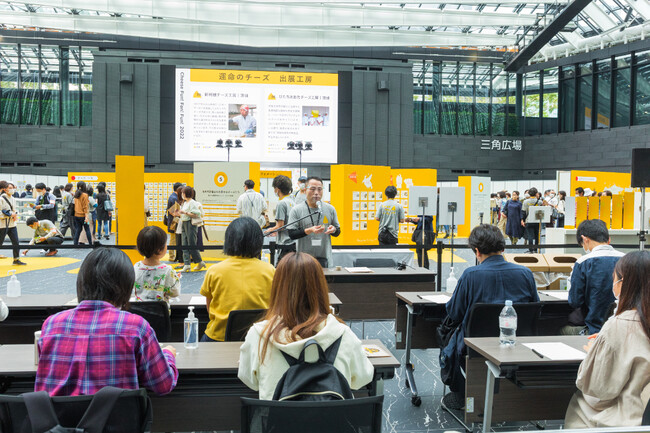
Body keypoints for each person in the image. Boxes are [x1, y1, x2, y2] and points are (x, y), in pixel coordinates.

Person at [35, 248, 178, 396]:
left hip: (59, 412)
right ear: (126, 285)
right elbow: (163, 384)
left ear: (82, 282)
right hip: (116, 411)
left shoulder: (52, 325)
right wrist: (168, 354)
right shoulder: (135, 327)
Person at [238, 252, 374, 400]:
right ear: (320, 287)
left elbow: (250, 381)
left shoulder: (259, 334)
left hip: (279, 416)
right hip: (333, 416)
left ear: (277, 288)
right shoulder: (342, 333)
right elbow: (362, 378)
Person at [440, 224, 539, 409]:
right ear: (503, 248)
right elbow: (534, 308)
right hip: (517, 342)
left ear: (477, 251)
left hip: (475, 346)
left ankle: (461, 394)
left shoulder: (470, 275)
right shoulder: (525, 273)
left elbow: (454, 313)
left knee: (446, 333)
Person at [564, 251, 650, 428]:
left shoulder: (619, 325)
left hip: (627, 417)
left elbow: (599, 388)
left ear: (623, 283)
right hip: (644, 412)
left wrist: (594, 353)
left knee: (579, 401)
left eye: (614, 278)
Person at [200, 217, 274, 342]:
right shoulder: (270, 270)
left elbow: (209, 307)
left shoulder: (214, 271)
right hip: (259, 338)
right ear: (258, 242)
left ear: (229, 241)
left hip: (219, 337)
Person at [562, 219, 625, 335]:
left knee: (564, 330)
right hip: (623, 329)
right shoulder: (627, 260)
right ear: (609, 239)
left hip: (594, 330)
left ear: (585, 239)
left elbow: (575, 301)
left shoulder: (583, 263)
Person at [287, 176, 340, 268]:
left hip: (325, 259)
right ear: (305, 190)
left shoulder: (330, 209)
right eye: (312, 189)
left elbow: (338, 231)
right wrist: (310, 230)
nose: (316, 193)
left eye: (319, 189)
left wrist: (334, 230)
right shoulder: (296, 210)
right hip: (303, 261)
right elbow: (292, 234)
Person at [133, 226, 181, 305]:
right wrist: (176, 279)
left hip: (139, 311)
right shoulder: (167, 270)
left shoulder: (136, 267)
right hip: (160, 311)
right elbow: (175, 293)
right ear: (160, 249)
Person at [172, 186, 206, 273]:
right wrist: (178, 214)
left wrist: (185, 212)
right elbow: (184, 214)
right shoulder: (185, 202)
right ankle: (187, 264)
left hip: (190, 224)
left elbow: (197, 214)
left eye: (183, 193)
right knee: (184, 244)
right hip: (184, 223)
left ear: (186, 193)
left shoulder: (192, 202)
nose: (182, 194)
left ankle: (200, 262)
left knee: (191, 244)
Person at [264, 175, 296, 263]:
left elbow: (280, 226)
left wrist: (269, 230)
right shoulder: (293, 201)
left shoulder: (281, 203)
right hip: (294, 242)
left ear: (277, 189)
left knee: (281, 269)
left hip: (285, 244)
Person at [0, 181, 26, 265]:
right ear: (5, 189)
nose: (12, 190)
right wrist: (10, 215)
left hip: (12, 224)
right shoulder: (1, 199)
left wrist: (15, 215)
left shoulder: (13, 199)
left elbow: (14, 210)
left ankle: (16, 259)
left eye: (13, 188)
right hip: (2, 225)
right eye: (10, 188)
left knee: (16, 242)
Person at [165, 182, 183, 262]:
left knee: (173, 239)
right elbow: (172, 212)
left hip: (173, 221)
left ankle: (173, 256)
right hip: (174, 222)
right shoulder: (174, 198)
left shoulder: (173, 196)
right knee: (173, 240)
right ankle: (171, 256)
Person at [521, 187, 542, 252]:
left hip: (529, 220)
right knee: (537, 235)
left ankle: (530, 250)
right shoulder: (540, 202)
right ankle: (536, 249)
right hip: (537, 220)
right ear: (536, 193)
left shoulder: (525, 202)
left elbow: (523, 212)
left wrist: (522, 220)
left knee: (530, 235)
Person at [72, 181, 93, 246]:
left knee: (78, 229)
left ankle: (75, 244)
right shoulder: (85, 195)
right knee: (87, 229)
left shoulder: (76, 194)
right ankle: (90, 244)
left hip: (76, 215)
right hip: (83, 216)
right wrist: (86, 217)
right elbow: (85, 207)